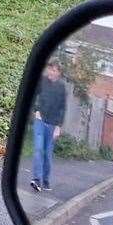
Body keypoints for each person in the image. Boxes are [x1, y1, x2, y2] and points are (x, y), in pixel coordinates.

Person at [30, 60, 66, 192]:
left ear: (59, 73)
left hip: (52, 125)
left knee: (47, 154)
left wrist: (58, 127)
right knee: (38, 149)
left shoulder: (61, 88)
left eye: (55, 70)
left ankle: (45, 180)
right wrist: (36, 110)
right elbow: (33, 95)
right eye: (50, 69)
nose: (51, 72)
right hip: (40, 121)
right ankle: (37, 180)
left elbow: (63, 108)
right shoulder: (42, 81)